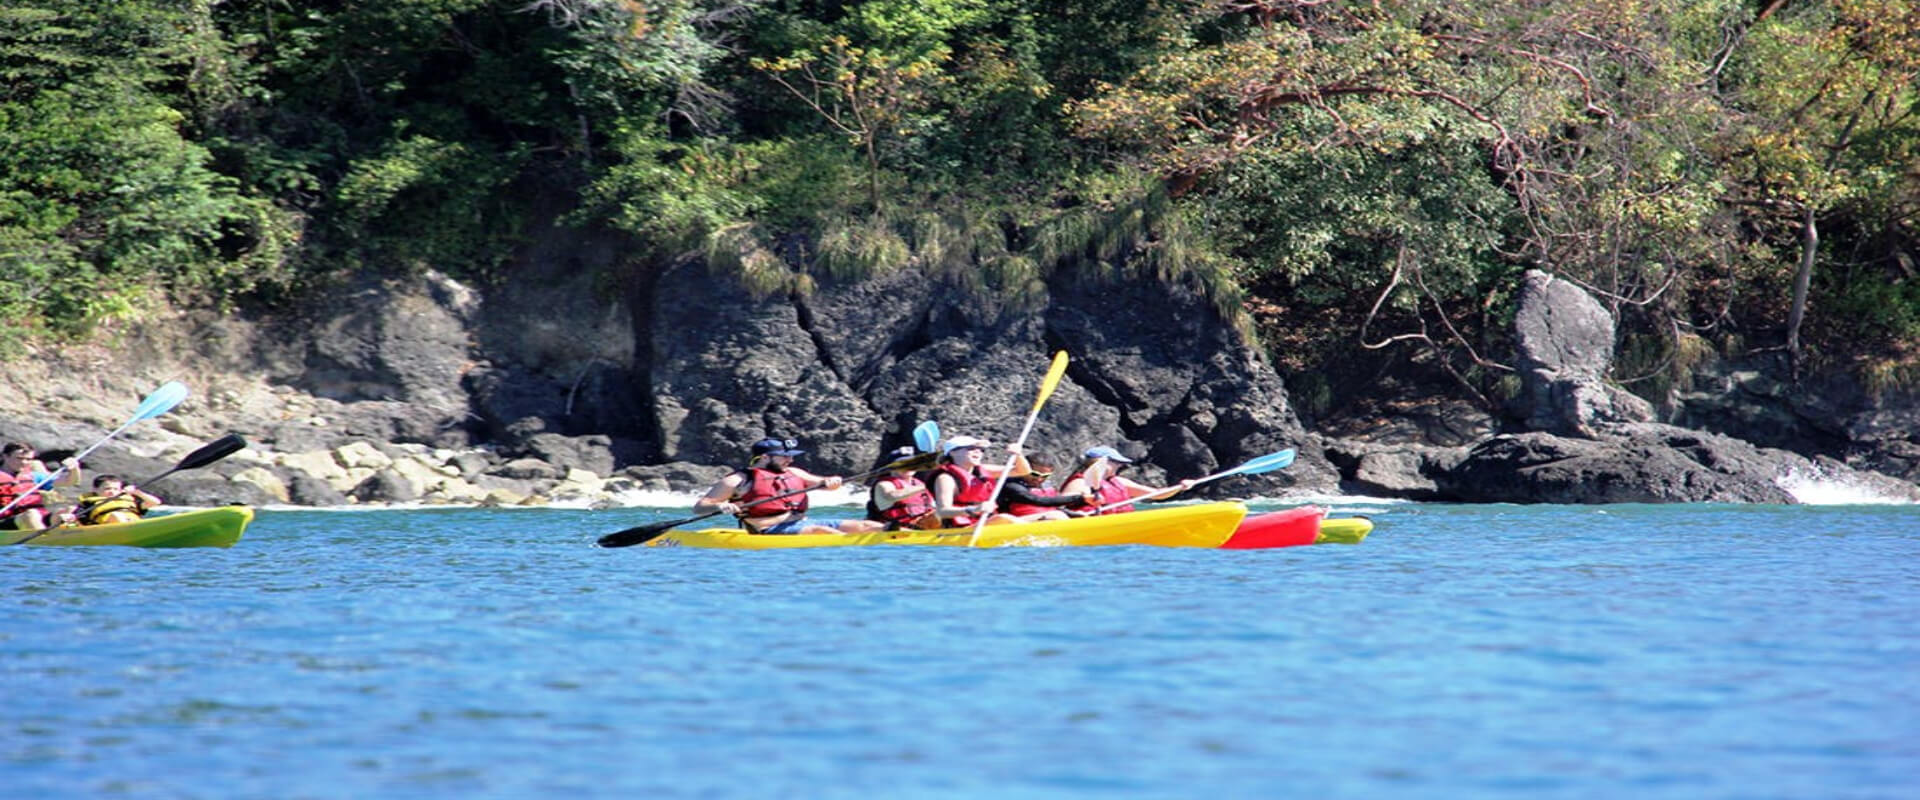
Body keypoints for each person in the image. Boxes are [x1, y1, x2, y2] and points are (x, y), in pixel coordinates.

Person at [695, 437, 886, 535]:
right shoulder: (737, 480)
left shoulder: (794, 473)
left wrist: (832, 482)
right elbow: (700, 507)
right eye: (785, 456)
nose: (790, 459)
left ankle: (906, 537)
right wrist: (720, 506)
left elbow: (825, 485)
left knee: (868, 525)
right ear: (765, 458)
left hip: (802, 522)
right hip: (767, 530)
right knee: (822, 532)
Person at [1061, 445, 1196, 516]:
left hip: (1117, 523)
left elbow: (1157, 494)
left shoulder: (1120, 481)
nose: (1120, 466)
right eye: (1117, 462)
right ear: (1102, 462)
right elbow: (1061, 505)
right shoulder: (1080, 482)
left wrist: (1180, 487)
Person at [928, 435, 1028, 527]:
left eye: (981, 450)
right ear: (952, 452)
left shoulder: (984, 470)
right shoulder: (945, 478)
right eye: (971, 448)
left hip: (985, 521)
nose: (978, 451)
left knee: (1042, 516)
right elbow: (942, 511)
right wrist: (974, 510)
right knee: (1004, 518)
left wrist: (1018, 455)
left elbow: (1022, 471)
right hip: (963, 528)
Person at [0, 442, 82, 531]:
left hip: (37, 518)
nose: (24, 462)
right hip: (6, 522)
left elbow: (70, 481)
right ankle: (46, 540)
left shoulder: (34, 476)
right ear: (5, 456)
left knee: (68, 511)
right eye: (19, 458)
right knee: (31, 514)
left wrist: (74, 468)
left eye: (28, 459)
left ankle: (73, 535)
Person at [866, 446, 941, 531]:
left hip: (922, 527)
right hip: (894, 529)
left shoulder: (919, 484)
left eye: (912, 463)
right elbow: (892, 495)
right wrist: (925, 486)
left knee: (944, 512)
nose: (908, 467)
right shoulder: (884, 484)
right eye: (903, 463)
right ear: (892, 467)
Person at [999, 457, 1095, 521]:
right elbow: (1038, 501)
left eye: (1045, 476)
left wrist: (1073, 514)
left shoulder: (1045, 486)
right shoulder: (1012, 485)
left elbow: (1052, 507)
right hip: (1015, 522)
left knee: (1075, 515)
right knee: (1056, 516)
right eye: (1035, 474)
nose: (1039, 479)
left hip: (1041, 519)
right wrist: (1080, 498)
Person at [74, 474, 164, 525]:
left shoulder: (128, 500)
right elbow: (77, 519)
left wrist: (137, 492)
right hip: (107, 526)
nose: (112, 492)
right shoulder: (88, 503)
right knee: (116, 515)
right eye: (107, 489)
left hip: (133, 522)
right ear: (95, 489)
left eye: (116, 489)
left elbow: (155, 502)